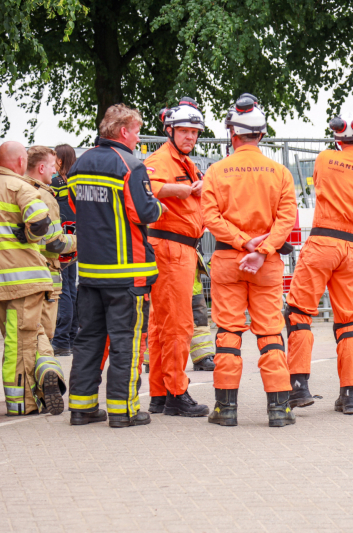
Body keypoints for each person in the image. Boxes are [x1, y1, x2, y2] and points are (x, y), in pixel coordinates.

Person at [285, 113, 353, 415]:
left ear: (338, 138)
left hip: (322, 243)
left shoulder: (324, 160)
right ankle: (349, 394)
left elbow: (321, 186)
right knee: (347, 320)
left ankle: (298, 387)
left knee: (299, 312)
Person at [201, 93, 298, 427]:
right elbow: (287, 219)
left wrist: (243, 243)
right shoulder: (280, 172)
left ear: (233, 133)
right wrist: (262, 250)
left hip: (229, 261)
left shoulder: (216, 171)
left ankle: (225, 410)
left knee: (228, 332)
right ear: (262, 134)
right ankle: (279, 410)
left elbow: (210, 217)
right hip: (266, 266)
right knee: (271, 332)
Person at [67, 103, 165, 428]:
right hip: (127, 273)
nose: (138, 137)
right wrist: (160, 207)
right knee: (127, 342)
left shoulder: (80, 164)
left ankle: (82, 408)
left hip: (91, 272)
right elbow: (144, 213)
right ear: (124, 131)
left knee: (88, 340)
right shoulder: (130, 166)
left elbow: (72, 207)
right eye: (137, 131)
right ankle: (123, 411)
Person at [0, 141, 66, 416]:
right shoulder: (21, 187)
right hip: (25, 280)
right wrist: (32, 236)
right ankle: (23, 403)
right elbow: (39, 222)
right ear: (21, 160)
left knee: (17, 338)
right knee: (22, 342)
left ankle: (43, 377)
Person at [143, 97, 210, 418]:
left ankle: (159, 393)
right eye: (184, 131)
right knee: (179, 324)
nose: (190, 138)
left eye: (195, 133)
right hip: (170, 249)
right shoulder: (162, 159)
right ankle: (175, 393)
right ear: (170, 130)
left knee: (160, 325)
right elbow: (147, 187)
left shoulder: (183, 161)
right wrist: (183, 191)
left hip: (178, 248)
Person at [22, 146, 76, 349]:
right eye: (52, 166)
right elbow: (55, 241)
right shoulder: (52, 193)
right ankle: (66, 340)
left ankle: (63, 341)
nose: (54, 170)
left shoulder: (28, 190)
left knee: (64, 295)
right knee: (69, 292)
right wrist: (82, 240)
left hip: (37, 264)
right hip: (54, 258)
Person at [50, 144, 79, 356]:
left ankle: (61, 340)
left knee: (65, 290)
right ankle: (71, 338)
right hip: (77, 238)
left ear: (59, 161)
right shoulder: (76, 183)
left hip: (61, 240)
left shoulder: (54, 183)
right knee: (72, 288)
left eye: (54, 158)